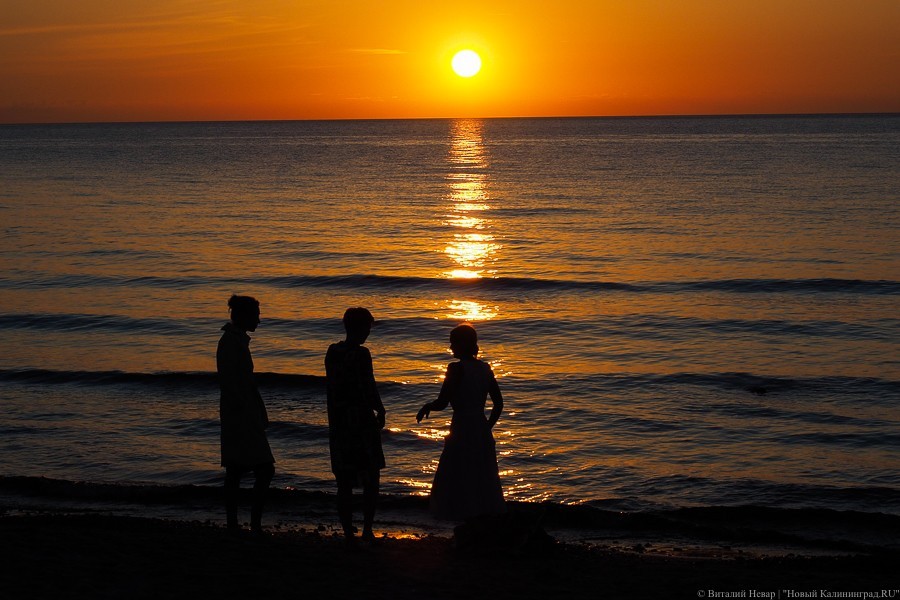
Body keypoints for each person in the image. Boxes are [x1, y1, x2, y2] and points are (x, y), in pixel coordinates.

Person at [417, 323, 505, 521]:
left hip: (462, 426)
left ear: (462, 344)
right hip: (480, 427)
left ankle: (460, 517)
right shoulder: (485, 368)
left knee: (457, 473)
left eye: (453, 343)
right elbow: (498, 404)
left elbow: (442, 402)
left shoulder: (455, 369)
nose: (450, 348)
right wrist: (486, 426)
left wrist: (427, 406)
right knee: (482, 475)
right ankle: (480, 520)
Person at [325, 307, 386, 543]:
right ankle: (367, 529)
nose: (368, 333)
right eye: (367, 328)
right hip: (361, 422)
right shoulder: (362, 354)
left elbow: (335, 387)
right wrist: (380, 409)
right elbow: (368, 386)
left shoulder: (332, 352)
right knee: (371, 476)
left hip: (340, 423)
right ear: (359, 328)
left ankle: (348, 530)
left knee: (344, 479)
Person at [217, 294, 275, 534]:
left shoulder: (235, 341)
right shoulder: (231, 343)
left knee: (237, 470)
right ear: (244, 316)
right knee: (262, 469)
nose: (259, 320)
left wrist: (259, 409)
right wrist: (249, 412)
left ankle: (240, 523)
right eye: (256, 315)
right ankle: (252, 524)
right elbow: (233, 384)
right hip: (239, 416)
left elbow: (245, 382)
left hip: (240, 414)